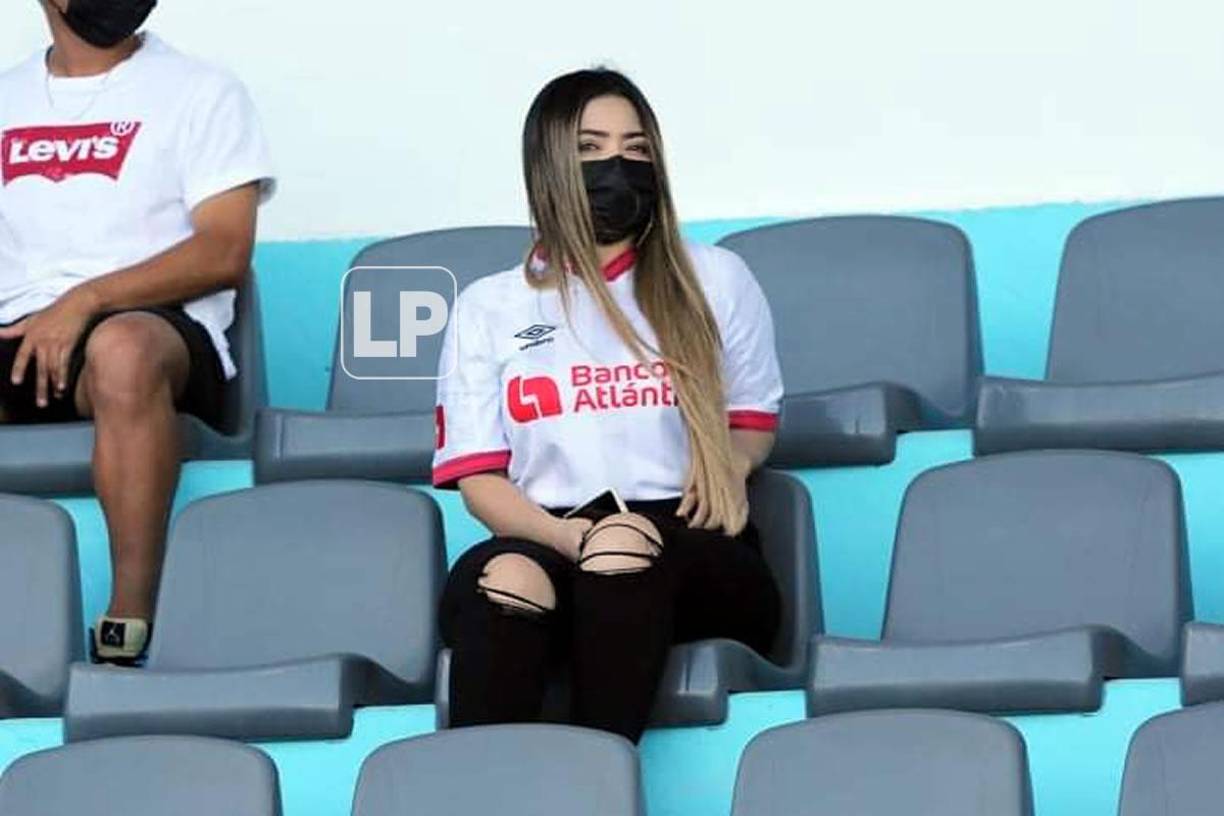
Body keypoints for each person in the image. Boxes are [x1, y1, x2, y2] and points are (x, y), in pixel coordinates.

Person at [434, 68, 784, 742]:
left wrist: (730, 469)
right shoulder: (489, 306)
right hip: (550, 533)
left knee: (621, 549)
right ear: (548, 167)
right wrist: (564, 537)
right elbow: (479, 480)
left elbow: (752, 425)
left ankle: (599, 784)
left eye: (635, 149)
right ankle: (479, 792)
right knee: (504, 578)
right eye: (590, 149)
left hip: (693, 544)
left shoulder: (716, 278)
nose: (615, 167)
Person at [0, 0, 274, 663]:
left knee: (121, 350)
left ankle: (129, 621)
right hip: (19, 334)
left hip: (160, 332)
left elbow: (224, 251)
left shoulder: (202, 91)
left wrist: (86, 299)